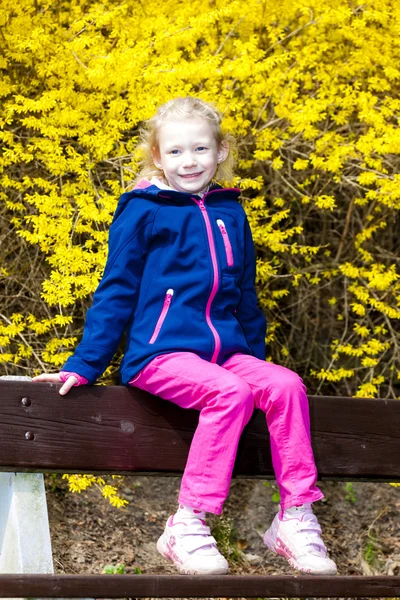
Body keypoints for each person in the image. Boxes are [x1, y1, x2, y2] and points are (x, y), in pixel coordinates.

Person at [32, 97, 337, 577]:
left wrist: (256, 365)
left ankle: (294, 517)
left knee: (284, 385)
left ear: (220, 153)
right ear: (156, 156)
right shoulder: (144, 211)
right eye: (175, 152)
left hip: (225, 355)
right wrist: (85, 364)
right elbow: (116, 290)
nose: (188, 161)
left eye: (200, 149)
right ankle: (187, 522)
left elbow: (245, 298)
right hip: (160, 355)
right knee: (229, 391)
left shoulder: (231, 213)